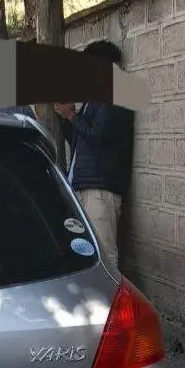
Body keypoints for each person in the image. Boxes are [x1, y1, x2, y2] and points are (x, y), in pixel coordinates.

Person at [55, 39, 135, 270]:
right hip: (87, 186)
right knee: (86, 253)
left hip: (100, 190)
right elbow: (81, 143)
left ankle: (110, 303)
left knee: (105, 254)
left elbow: (99, 136)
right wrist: (65, 119)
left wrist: (72, 116)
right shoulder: (96, 98)